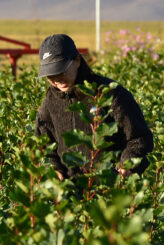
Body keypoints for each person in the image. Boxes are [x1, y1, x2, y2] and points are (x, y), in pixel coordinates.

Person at [35, 34, 153, 181]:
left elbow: (139, 138)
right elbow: (45, 147)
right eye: (50, 75)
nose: (57, 78)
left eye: (61, 70)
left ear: (77, 61)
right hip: (68, 194)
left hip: (109, 189)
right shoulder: (49, 103)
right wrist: (54, 170)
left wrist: (127, 166)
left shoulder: (110, 93)